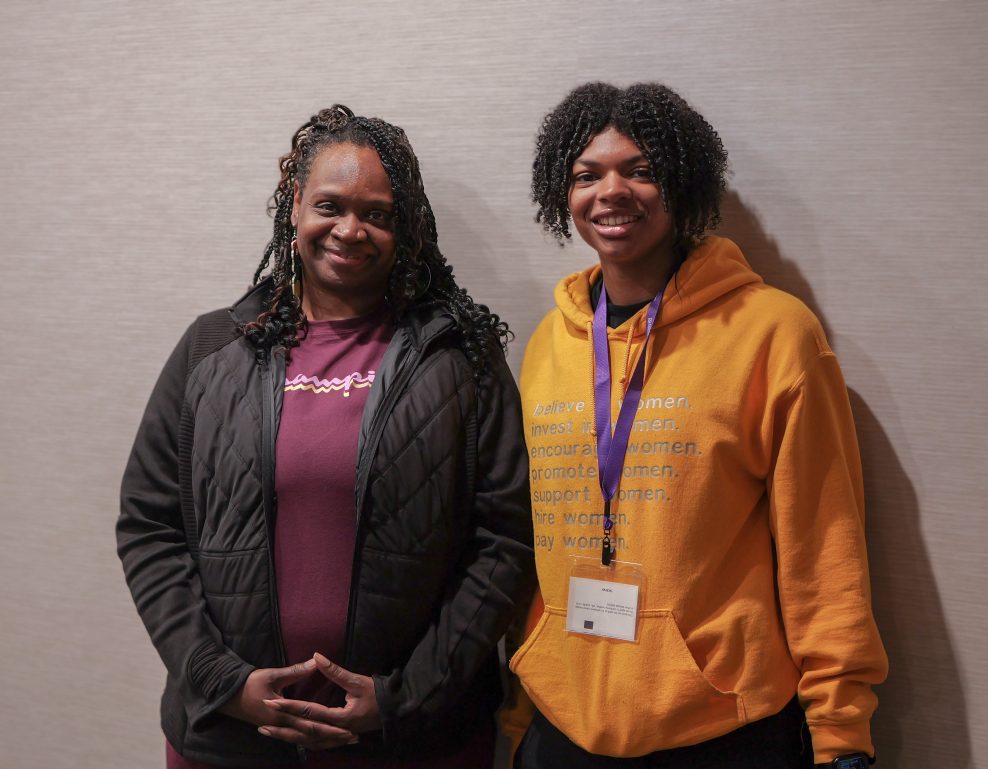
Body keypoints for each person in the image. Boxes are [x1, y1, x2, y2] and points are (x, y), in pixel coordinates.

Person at [117, 103, 535, 768]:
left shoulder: (461, 358)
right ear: (293, 209)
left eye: (377, 213)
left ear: (408, 228)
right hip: (230, 739)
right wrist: (220, 678)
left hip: (416, 742)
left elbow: (505, 541)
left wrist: (405, 696)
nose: (351, 229)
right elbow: (149, 524)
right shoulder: (211, 348)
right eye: (330, 205)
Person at [507, 83, 888, 769]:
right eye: (586, 175)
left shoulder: (772, 333)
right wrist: (519, 714)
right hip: (562, 732)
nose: (611, 191)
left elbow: (824, 545)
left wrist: (841, 732)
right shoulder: (546, 346)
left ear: (683, 180)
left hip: (721, 729)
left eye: (641, 169)